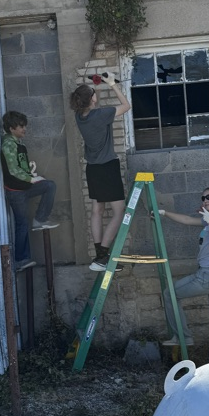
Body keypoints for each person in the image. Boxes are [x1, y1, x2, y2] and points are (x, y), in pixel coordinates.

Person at [158, 186, 209, 362]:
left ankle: (183, 336)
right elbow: (186, 220)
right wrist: (163, 213)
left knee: (169, 294)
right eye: (203, 198)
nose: (206, 200)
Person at [70, 72, 132, 272]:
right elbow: (126, 105)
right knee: (119, 211)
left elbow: (84, 99)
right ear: (92, 99)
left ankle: (99, 256)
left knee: (97, 210)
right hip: (107, 168)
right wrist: (113, 84)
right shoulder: (100, 114)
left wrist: (92, 86)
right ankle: (102, 256)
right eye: (94, 94)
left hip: (93, 169)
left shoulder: (79, 116)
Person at [0, 110, 58, 273]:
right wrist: (32, 180)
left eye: (24, 126)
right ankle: (20, 259)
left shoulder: (20, 144)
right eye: (21, 126)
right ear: (11, 128)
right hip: (15, 191)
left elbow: (22, 168)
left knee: (49, 185)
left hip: (24, 186)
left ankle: (40, 219)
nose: (24, 129)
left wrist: (33, 175)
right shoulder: (8, 144)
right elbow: (12, 170)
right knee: (22, 223)